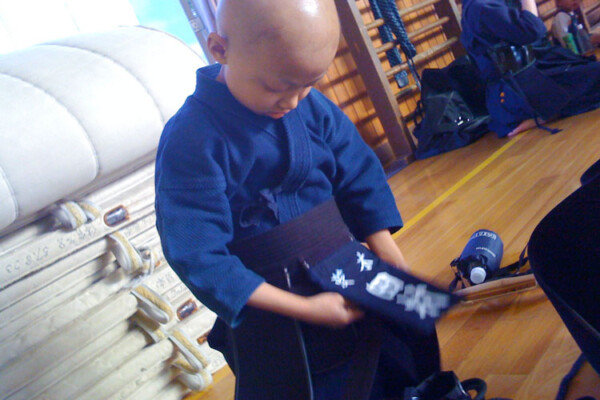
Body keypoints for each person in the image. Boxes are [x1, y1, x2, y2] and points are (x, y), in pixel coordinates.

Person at [154, 0, 441, 399]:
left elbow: (358, 171)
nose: (292, 102)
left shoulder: (310, 104)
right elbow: (198, 255)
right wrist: (305, 309)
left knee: (403, 355)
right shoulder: (191, 139)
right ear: (219, 49)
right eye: (276, 87)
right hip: (274, 307)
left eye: (308, 84)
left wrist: (384, 246)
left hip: (344, 265)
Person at [461, 0, 600, 138]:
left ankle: (549, 112)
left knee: (589, 73)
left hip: (523, 81)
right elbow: (533, 30)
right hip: (514, 93)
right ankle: (544, 114)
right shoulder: (482, 7)